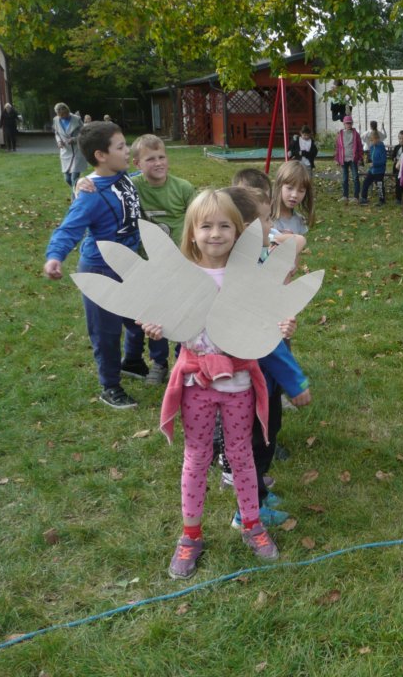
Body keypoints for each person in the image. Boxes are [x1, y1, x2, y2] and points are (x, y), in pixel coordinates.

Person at [142, 189, 281, 579]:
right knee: (197, 455)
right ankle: (190, 535)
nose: (215, 234)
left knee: (241, 454)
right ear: (191, 232)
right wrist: (156, 326)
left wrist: (281, 323)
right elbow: (167, 315)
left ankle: (252, 523)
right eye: (206, 226)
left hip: (239, 382)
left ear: (238, 232)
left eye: (224, 226)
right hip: (196, 384)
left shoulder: (248, 275)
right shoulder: (182, 277)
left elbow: (263, 317)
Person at [217, 186, 311, 528]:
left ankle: (258, 491)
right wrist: (295, 382)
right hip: (251, 380)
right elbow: (265, 341)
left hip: (262, 380)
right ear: (245, 228)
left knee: (267, 437)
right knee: (255, 444)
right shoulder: (241, 277)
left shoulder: (253, 261)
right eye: (267, 219)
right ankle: (248, 510)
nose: (273, 225)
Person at [76, 133, 196, 384]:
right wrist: (82, 182)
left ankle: (184, 361)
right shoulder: (131, 186)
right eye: (150, 159)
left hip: (179, 263)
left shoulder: (183, 188)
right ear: (138, 164)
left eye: (162, 157)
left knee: (182, 314)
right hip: (145, 264)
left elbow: (198, 218)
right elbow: (104, 183)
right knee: (153, 317)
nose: (158, 163)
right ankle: (159, 363)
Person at [42, 121, 144, 409]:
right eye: (121, 147)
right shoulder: (89, 195)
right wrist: (55, 256)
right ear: (101, 155)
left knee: (139, 320)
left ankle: (132, 362)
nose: (128, 150)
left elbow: (139, 179)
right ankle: (110, 387)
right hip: (100, 271)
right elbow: (69, 228)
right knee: (106, 333)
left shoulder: (123, 177)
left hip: (129, 265)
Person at [269, 159, 314, 254]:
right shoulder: (266, 217)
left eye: (301, 191)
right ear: (279, 186)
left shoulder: (299, 221)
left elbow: (296, 255)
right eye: (289, 188)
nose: (294, 195)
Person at [52, 103, 87, 191]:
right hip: (65, 152)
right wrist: (59, 142)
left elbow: (84, 133)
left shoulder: (76, 119)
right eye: (60, 115)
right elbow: (57, 133)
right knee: (67, 179)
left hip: (77, 151)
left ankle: (75, 196)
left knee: (74, 178)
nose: (62, 116)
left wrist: (74, 139)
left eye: (64, 114)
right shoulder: (56, 120)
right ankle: (80, 191)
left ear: (67, 111)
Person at [335, 115, 363, 203]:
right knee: (344, 178)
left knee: (355, 177)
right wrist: (337, 159)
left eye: (350, 123)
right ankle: (345, 196)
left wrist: (360, 158)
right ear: (344, 124)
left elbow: (360, 147)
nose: (348, 125)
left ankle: (356, 197)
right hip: (343, 159)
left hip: (353, 159)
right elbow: (338, 148)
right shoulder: (340, 134)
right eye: (347, 123)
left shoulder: (356, 134)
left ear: (352, 124)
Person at [359, 130, 388, 206]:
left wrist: (374, 164)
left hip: (379, 170)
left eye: (372, 140)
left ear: (377, 139)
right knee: (366, 182)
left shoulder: (382, 148)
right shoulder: (372, 147)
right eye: (370, 140)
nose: (371, 142)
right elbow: (371, 157)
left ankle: (382, 201)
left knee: (379, 185)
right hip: (372, 170)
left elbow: (383, 161)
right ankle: (364, 198)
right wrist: (368, 161)